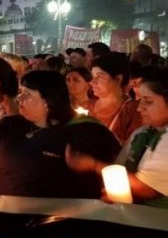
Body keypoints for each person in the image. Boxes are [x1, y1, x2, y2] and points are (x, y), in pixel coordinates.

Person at [0, 70, 120, 198]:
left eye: (26, 94)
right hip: (5, 214)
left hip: (61, 220)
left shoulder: (88, 131)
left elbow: (113, 174)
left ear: (48, 101)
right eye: (20, 92)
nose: (18, 98)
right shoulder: (10, 125)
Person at [66, 68, 168, 206]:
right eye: (140, 100)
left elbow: (146, 189)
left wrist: (93, 164)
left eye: (148, 101)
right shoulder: (142, 133)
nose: (139, 108)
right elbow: (119, 170)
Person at [88, 53, 142, 144]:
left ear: (118, 79)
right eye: (92, 76)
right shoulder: (88, 105)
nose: (92, 82)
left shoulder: (133, 110)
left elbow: (134, 147)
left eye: (99, 76)